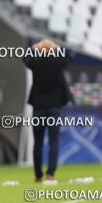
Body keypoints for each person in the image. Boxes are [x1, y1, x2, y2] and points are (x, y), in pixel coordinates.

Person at [23, 39, 73, 183]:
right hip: (54, 108)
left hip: (38, 107)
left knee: (37, 143)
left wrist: (34, 48)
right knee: (53, 142)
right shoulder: (58, 62)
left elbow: (25, 58)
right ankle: (50, 174)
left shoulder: (36, 62)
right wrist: (57, 48)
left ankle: (38, 175)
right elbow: (69, 57)